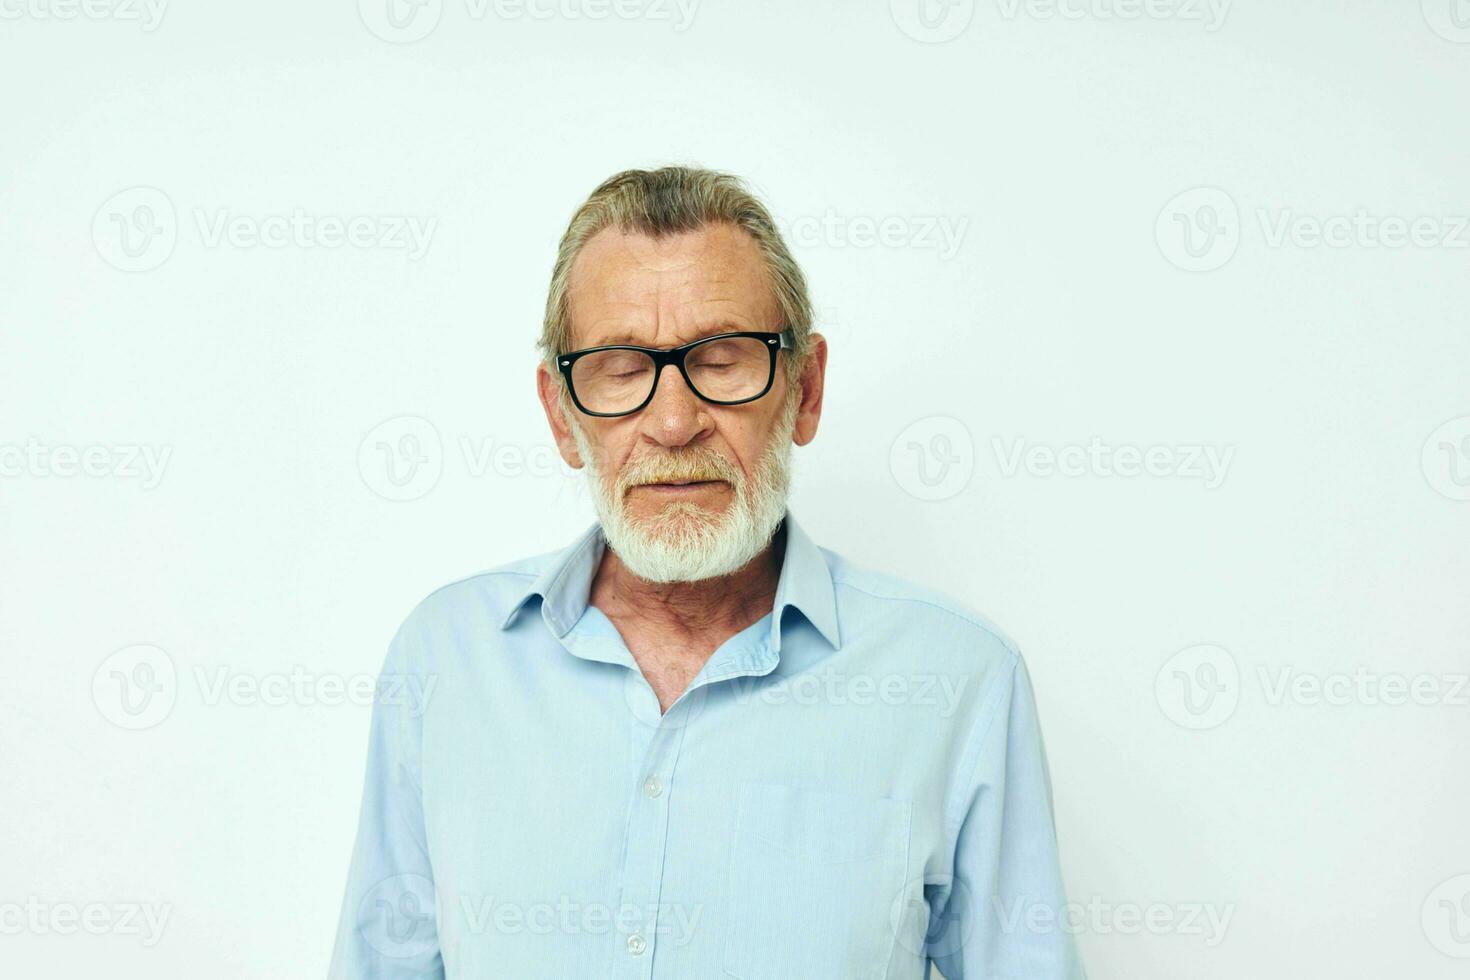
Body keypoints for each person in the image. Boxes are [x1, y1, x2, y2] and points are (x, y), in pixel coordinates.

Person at [329, 165, 1087, 979]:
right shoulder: (446, 660)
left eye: (723, 360)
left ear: (805, 391)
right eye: (621, 369)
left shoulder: (959, 680)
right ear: (560, 413)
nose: (674, 421)